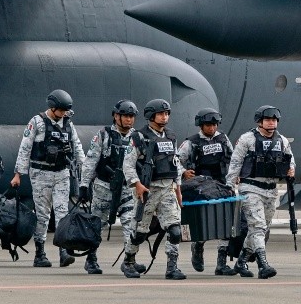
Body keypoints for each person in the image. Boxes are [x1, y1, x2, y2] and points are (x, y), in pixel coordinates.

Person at [10, 89, 86, 268]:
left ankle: (63, 252)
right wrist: (18, 174)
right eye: (61, 110)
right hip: (40, 173)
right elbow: (25, 147)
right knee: (43, 215)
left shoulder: (68, 124)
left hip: (62, 173)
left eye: (66, 110)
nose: (64, 113)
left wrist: (85, 170)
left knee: (62, 213)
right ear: (52, 107)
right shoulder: (37, 122)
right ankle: (40, 253)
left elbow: (77, 147)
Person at [78, 100, 148, 277]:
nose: (129, 120)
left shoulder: (137, 138)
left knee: (130, 225)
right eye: (125, 116)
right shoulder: (104, 135)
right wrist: (84, 185)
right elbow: (91, 161)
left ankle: (129, 260)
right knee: (97, 225)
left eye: (131, 116)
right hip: (104, 188)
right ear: (116, 116)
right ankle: (91, 259)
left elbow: (144, 162)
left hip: (127, 188)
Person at [226, 105, 295, 279]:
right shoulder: (247, 139)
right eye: (268, 120)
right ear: (259, 121)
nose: (272, 123)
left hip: (271, 191)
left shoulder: (282, 141)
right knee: (257, 226)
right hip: (250, 188)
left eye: (274, 120)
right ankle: (263, 265)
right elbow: (235, 163)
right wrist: (229, 187)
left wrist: (291, 169)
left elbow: (290, 160)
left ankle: (241, 261)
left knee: (261, 229)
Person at [122, 98, 187, 280]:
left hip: (167, 189)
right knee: (139, 233)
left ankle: (172, 267)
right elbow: (128, 164)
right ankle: (128, 261)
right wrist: (137, 184)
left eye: (166, 113)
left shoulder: (171, 136)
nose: (164, 117)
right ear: (151, 116)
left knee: (175, 230)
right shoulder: (139, 137)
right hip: (148, 190)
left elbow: (176, 163)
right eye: (160, 114)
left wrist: (178, 189)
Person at [177, 108, 236, 276]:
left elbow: (234, 159)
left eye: (215, 125)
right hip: (201, 188)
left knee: (226, 224)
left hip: (222, 186)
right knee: (204, 223)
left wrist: (235, 177)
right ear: (201, 125)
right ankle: (197, 247)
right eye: (209, 125)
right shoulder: (191, 142)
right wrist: (184, 172)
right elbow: (176, 161)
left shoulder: (223, 139)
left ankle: (221, 264)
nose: (212, 128)